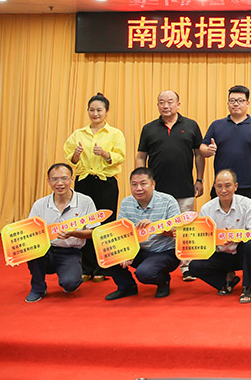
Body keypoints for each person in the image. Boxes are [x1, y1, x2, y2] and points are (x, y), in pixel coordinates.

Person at [63, 93, 125, 282]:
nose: (95, 113)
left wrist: (106, 154)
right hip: (84, 181)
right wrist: (76, 154)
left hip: (105, 182)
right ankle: (86, 266)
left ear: (107, 111)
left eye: (99, 110)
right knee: (84, 222)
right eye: (92, 110)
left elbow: (120, 156)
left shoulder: (115, 133)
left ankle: (103, 266)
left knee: (105, 223)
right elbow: (71, 159)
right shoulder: (78, 134)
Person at [103, 167, 181, 300]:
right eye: (134, 184)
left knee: (144, 273)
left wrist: (154, 226)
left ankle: (163, 281)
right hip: (138, 249)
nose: (138, 188)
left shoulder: (168, 200)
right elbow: (121, 233)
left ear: (153, 184)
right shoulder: (126, 203)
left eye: (143, 184)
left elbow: (177, 231)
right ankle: (127, 287)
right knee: (107, 252)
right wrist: (126, 252)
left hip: (164, 251)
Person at [23, 164, 97, 303]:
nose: (59, 183)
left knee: (70, 284)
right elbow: (30, 231)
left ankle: (71, 275)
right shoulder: (40, 204)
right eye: (54, 179)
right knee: (32, 251)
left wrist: (75, 233)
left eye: (64, 178)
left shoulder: (85, 202)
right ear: (48, 181)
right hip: (45, 249)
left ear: (72, 179)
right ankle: (38, 288)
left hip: (70, 251)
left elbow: (94, 232)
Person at [189, 169, 251, 304]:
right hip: (222, 254)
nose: (223, 190)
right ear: (214, 187)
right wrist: (216, 240)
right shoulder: (207, 209)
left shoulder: (247, 204)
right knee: (194, 266)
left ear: (235, 186)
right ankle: (225, 281)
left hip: (245, 254)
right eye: (219, 186)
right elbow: (202, 239)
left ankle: (248, 287)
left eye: (228, 186)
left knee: (249, 246)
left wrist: (238, 236)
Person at [201, 85, 251, 213]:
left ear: (247, 103)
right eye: (232, 100)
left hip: (250, 185)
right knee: (218, 220)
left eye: (240, 100)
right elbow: (203, 147)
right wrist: (208, 150)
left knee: (250, 221)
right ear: (228, 103)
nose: (236, 104)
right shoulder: (217, 125)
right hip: (222, 186)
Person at [136, 90, 205, 212]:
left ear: (178, 105)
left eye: (170, 102)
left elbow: (199, 155)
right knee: (157, 223)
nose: (165, 106)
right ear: (158, 105)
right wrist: (141, 182)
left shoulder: (191, 125)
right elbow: (141, 156)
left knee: (184, 223)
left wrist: (199, 180)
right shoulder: (148, 128)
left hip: (184, 190)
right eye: (162, 102)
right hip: (156, 191)